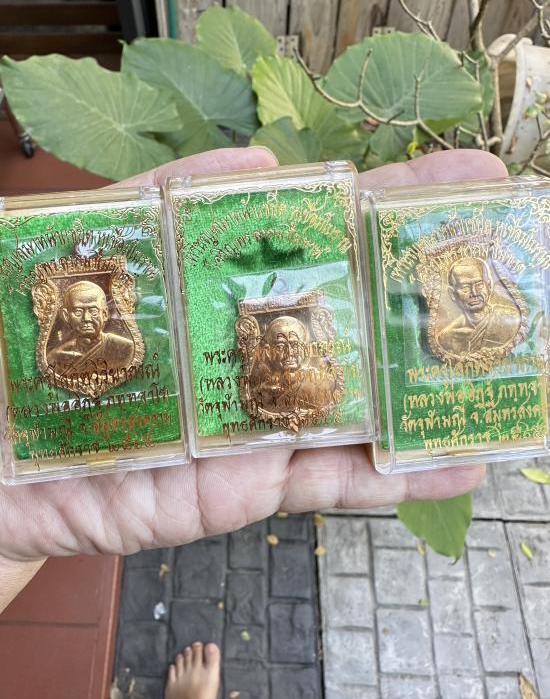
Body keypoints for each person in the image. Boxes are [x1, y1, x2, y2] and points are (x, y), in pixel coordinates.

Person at [0, 146, 504, 696]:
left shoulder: (134, 347)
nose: (87, 317)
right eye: (77, 310)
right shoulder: (65, 351)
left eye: (95, 308)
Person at [437, 256, 521, 355]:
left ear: (489, 286)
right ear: (452, 294)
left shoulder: (511, 319)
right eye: (465, 287)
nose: (474, 293)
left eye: (479, 285)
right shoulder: (447, 337)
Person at [47, 280, 135, 375]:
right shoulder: (56, 357)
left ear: (105, 314)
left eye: (93, 311)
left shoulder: (125, 348)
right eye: (78, 312)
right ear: (66, 316)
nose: (86, 318)